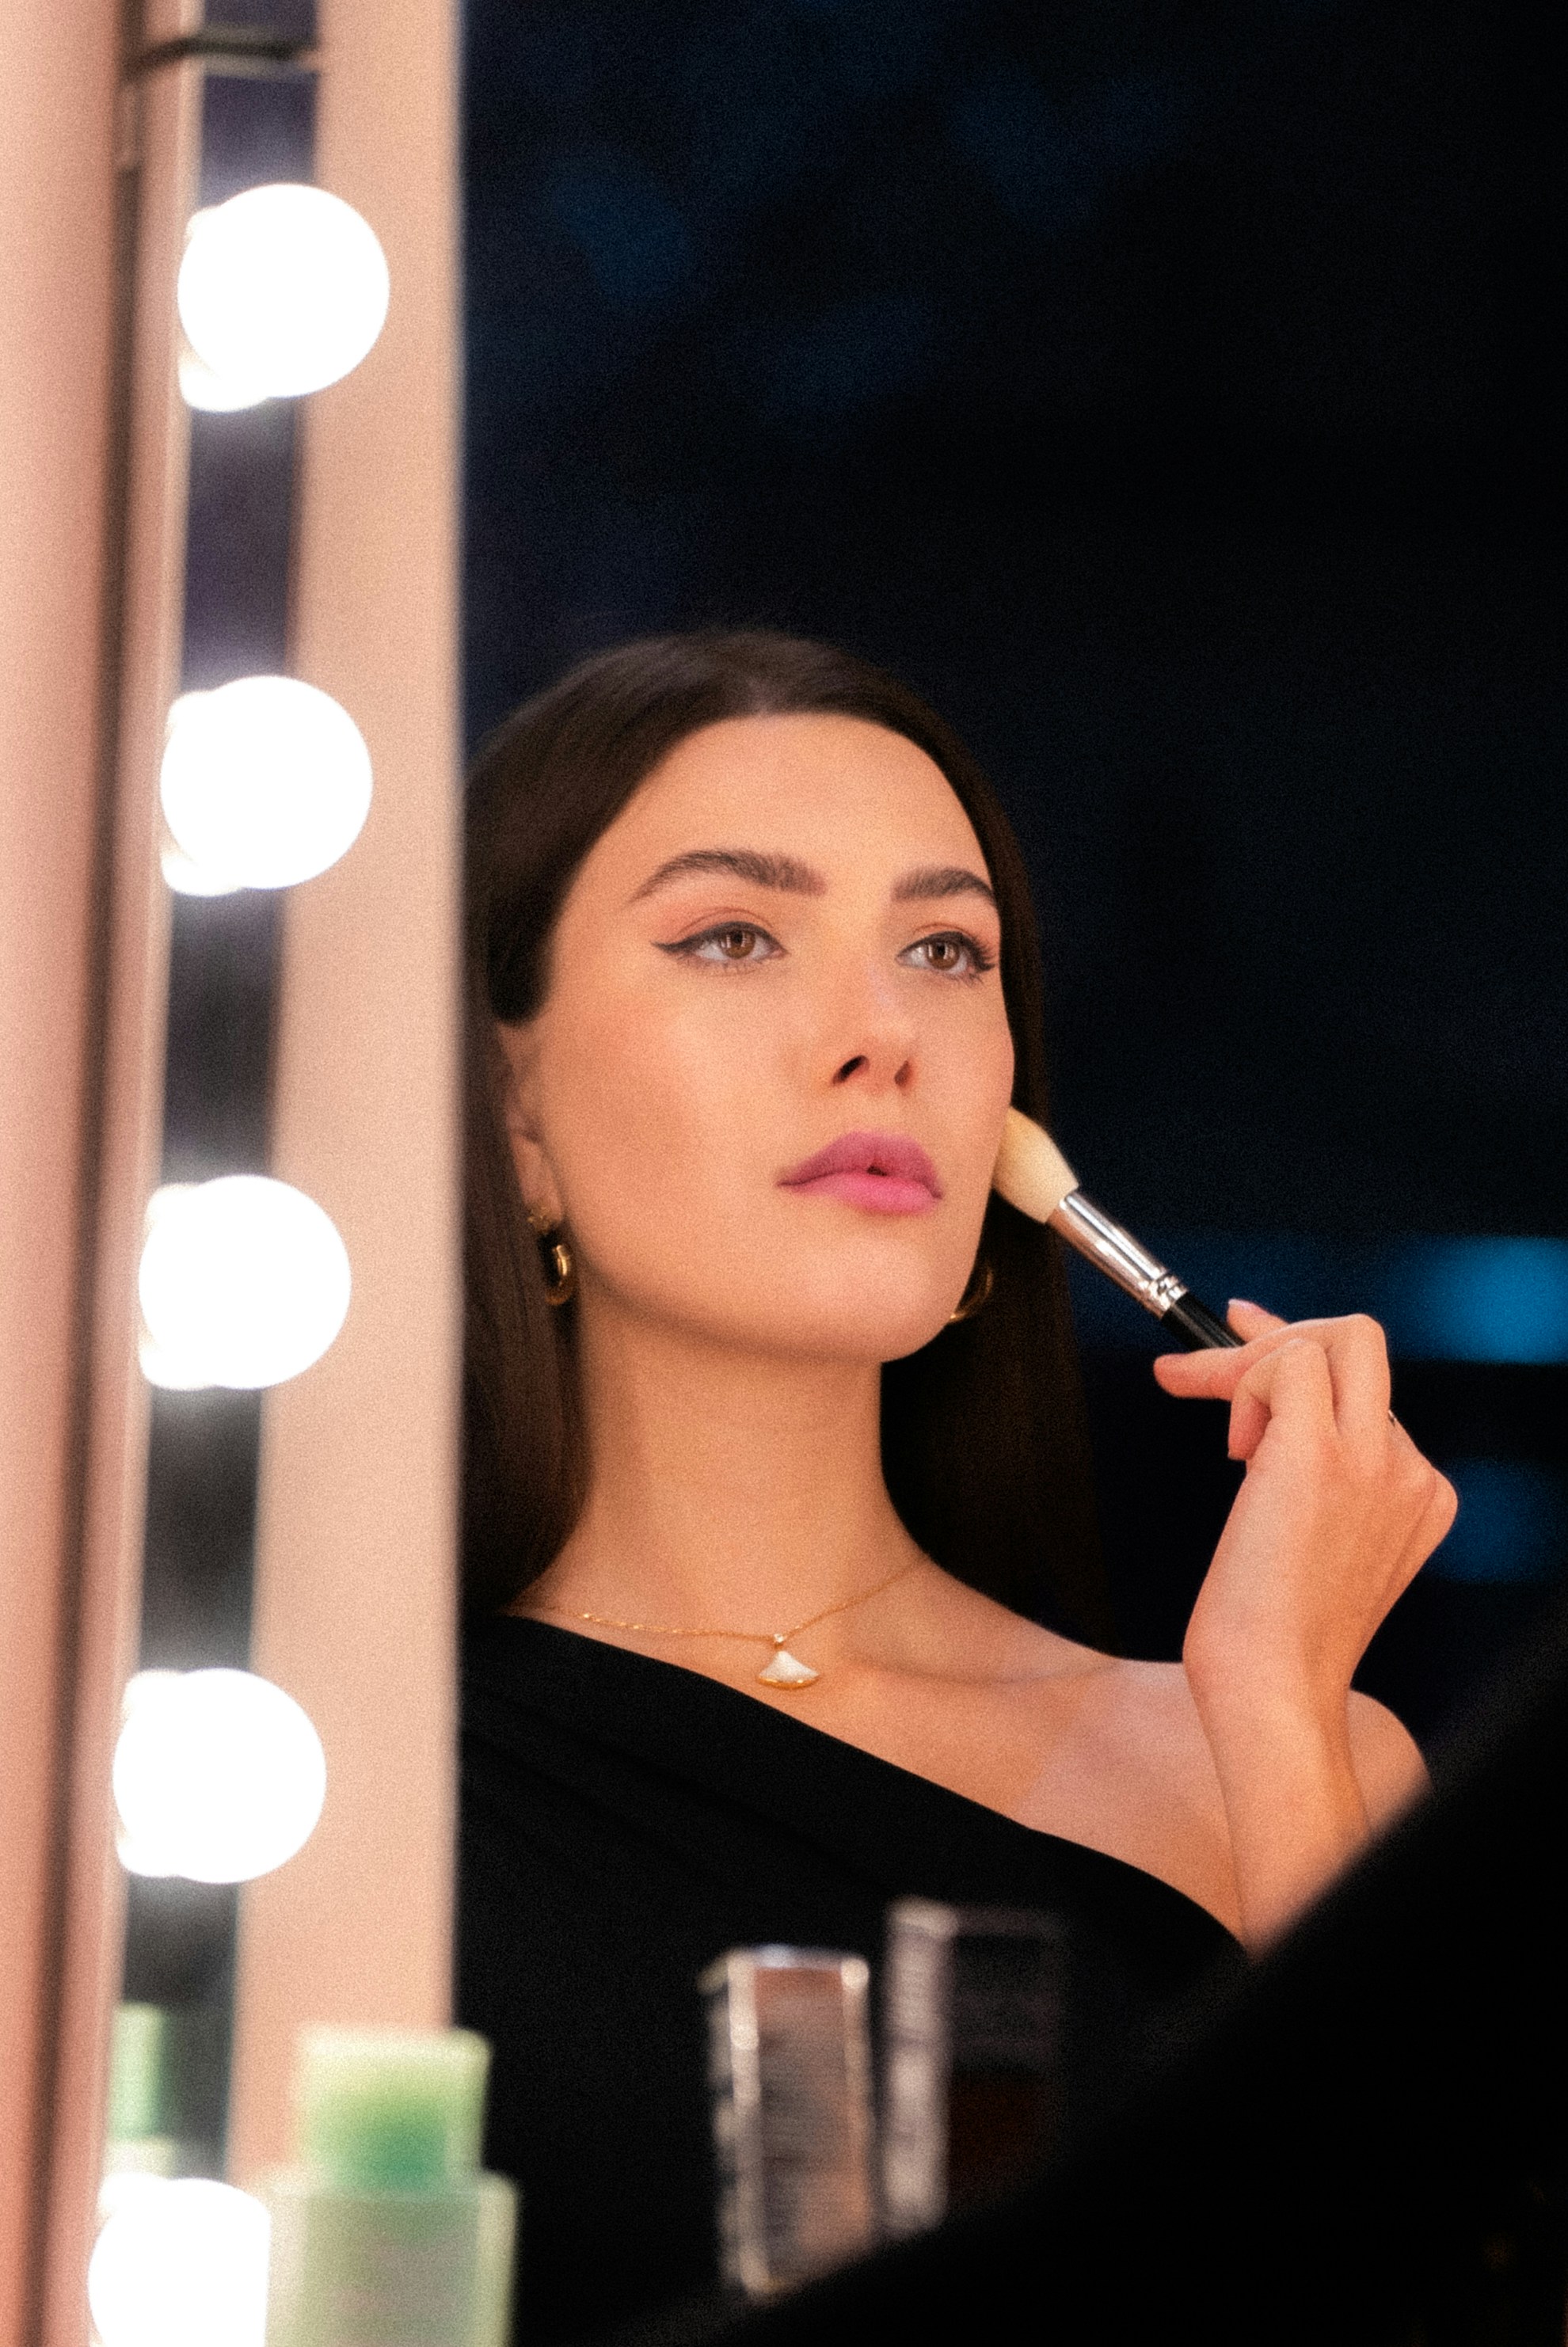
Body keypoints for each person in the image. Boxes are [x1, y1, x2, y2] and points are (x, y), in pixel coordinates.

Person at [457, 630, 1453, 2341]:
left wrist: (1280, 1719)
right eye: (734, 937)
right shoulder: (335, 1783)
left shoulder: (1300, 1760)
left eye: (944, 950)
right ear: (512, 1111)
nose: (881, 1035)